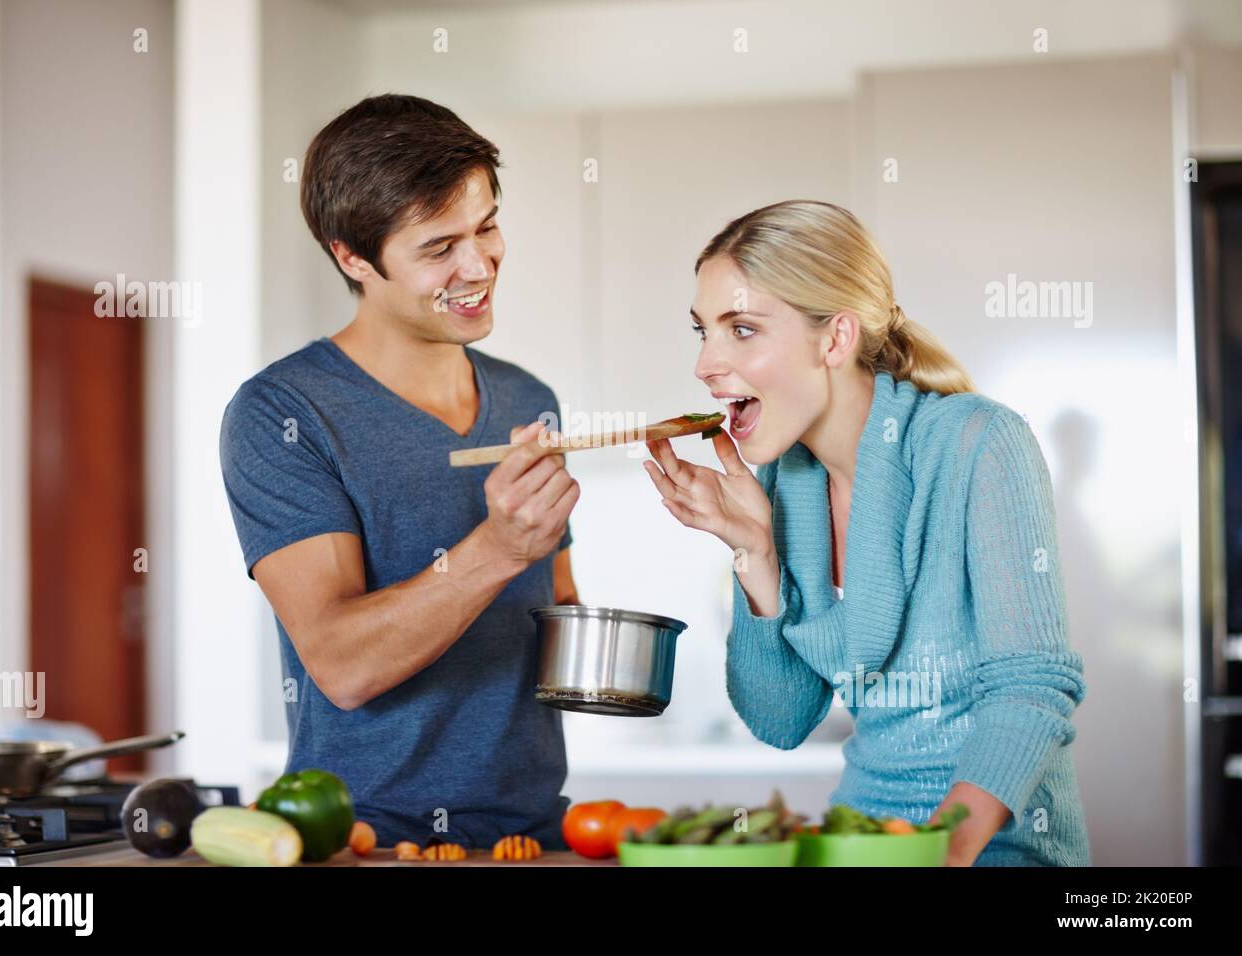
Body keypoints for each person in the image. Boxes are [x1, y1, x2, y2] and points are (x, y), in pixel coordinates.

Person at [643, 200, 1090, 866]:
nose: (706, 364)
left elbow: (1029, 690)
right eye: (702, 331)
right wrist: (754, 553)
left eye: (740, 330)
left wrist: (939, 853)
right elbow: (781, 720)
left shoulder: (978, 443)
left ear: (835, 339)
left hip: (995, 848)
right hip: (863, 843)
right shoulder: (779, 485)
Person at [219, 94, 579, 849]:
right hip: (368, 841)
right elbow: (342, 664)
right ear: (352, 255)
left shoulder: (526, 398)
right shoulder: (282, 414)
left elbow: (554, 602)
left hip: (535, 835)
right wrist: (499, 547)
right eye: (438, 246)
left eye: (486, 227)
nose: (478, 265)